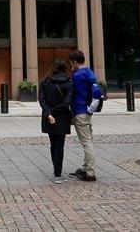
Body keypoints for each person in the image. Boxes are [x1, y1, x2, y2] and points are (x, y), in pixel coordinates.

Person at [38, 59, 74, 183]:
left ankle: (56, 170)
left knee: (53, 144)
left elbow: (42, 101)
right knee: (60, 145)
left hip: (48, 118)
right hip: (62, 117)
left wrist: (49, 113)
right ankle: (58, 174)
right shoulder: (69, 83)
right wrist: (54, 111)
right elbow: (67, 102)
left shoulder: (44, 82)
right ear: (64, 69)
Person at [67, 49, 99, 181]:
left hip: (80, 111)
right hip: (87, 110)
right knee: (88, 140)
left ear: (74, 61)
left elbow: (72, 93)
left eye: (71, 62)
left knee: (86, 142)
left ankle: (90, 172)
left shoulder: (77, 76)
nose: (71, 65)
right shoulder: (90, 72)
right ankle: (86, 167)